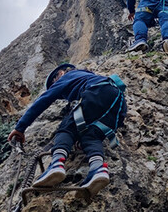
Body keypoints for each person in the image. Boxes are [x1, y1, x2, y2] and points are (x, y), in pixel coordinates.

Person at [7, 64, 127, 196]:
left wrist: (20, 127)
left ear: (60, 73)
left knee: (67, 129)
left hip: (96, 92)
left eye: (54, 80)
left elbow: (44, 99)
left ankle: (56, 164)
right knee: (92, 136)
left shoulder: (68, 76)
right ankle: (98, 169)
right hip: (119, 102)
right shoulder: (89, 77)